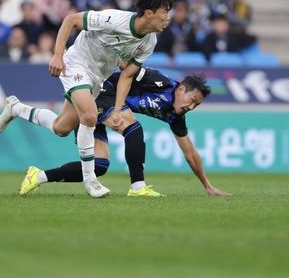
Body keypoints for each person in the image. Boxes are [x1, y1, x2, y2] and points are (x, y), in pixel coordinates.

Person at [0, 0, 174, 198]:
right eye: (165, 11)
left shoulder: (149, 41)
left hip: (98, 77)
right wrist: (57, 55)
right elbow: (71, 20)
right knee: (89, 116)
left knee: (61, 128)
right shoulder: (114, 19)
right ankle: (91, 181)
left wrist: (117, 109)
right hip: (76, 63)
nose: (167, 17)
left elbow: (126, 76)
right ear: (149, 13)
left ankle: (16, 108)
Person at [13, 69, 230, 197]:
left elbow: (190, 152)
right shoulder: (161, 83)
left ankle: (38, 176)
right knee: (132, 128)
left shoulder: (176, 116)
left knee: (95, 163)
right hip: (101, 91)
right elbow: (127, 70)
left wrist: (207, 185)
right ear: (181, 89)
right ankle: (138, 186)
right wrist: (118, 108)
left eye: (196, 106)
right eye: (192, 101)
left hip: (104, 107)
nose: (190, 107)